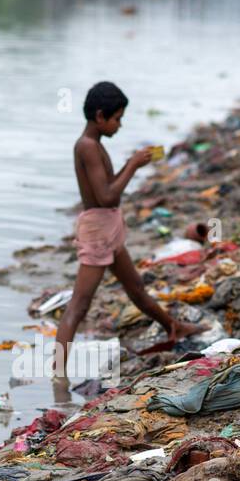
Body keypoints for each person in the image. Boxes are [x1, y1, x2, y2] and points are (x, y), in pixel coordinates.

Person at [54, 82, 202, 400]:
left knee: (135, 287)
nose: (119, 125)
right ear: (99, 115)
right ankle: (58, 379)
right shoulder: (87, 146)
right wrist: (133, 165)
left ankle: (172, 327)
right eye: (117, 119)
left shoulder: (94, 143)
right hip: (97, 230)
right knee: (78, 306)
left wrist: (131, 164)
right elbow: (106, 194)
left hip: (108, 225)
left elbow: (106, 189)